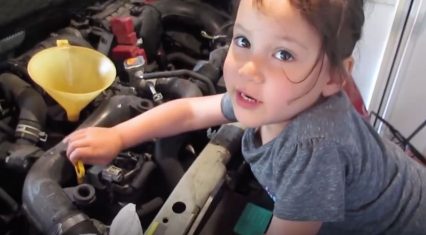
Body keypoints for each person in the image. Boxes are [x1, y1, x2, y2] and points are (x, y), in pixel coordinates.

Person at [65, 0, 426, 234]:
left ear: (334, 77)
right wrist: (119, 137)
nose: (250, 69)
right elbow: (191, 109)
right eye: (243, 41)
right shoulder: (273, 98)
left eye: (283, 54)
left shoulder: (313, 148)